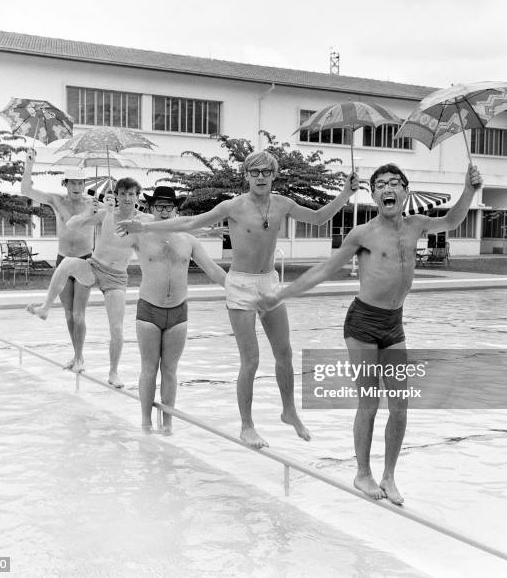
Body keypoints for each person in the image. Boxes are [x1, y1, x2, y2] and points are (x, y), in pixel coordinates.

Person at [256, 162, 483, 504]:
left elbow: (452, 221)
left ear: (405, 192)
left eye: (394, 183)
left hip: (394, 324)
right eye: (380, 184)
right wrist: (281, 294)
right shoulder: (362, 234)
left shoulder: (417, 225)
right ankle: (363, 473)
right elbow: (323, 270)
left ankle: (389, 476)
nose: (387, 188)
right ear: (374, 194)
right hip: (362, 322)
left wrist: (470, 189)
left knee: (401, 407)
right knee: (370, 401)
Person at [117, 151, 359, 448]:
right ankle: (247, 426)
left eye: (265, 172)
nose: (260, 177)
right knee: (251, 360)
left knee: (285, 352)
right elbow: (190, 223)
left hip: (269, 282)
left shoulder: (283, 204)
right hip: (241, 285)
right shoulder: (233, 206)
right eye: (254, 172)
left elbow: (320, 218)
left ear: (273, 175)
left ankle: (289, 411)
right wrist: (145, 226)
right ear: (246, 175)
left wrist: (346, 193)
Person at [27, 177, 152, 387]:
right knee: (66, 263)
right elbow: (72, 224)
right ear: (117, 196)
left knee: (117, 327)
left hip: (116, 277)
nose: (127, 198)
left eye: (131, 194)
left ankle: (113, 372)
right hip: (94, 267)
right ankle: (45, 308)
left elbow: (174, 226)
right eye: (123, 194)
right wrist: (88, 212)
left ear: (137, 196)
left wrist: (202, 231)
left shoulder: (144, 220)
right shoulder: (105, 213)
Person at [135, 186, 227, 435]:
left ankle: (167, 423)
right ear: (151, 208)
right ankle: (145, 422)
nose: (164, 211)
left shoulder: (189, 239)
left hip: (178, 313)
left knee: (170, 371)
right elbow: (115, 227)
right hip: (149, 310)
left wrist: (237, 288)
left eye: (168, 206)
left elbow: (212, 269)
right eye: (159, 206)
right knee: (149, 369)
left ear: (175, 209)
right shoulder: (140, 235)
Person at [21, 149, 93, 372]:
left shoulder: (92, 204)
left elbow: (119, 213)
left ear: (84, 184)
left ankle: (80, 358)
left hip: (84, 261)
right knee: (69, 314)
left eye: (80, 183)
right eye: (72, 183)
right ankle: (76, 355)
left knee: (79, 313)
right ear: (66, 183)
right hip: (63, 260)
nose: (77, 188)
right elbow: (26, 190)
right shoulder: (56, 201)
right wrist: (29, 165)